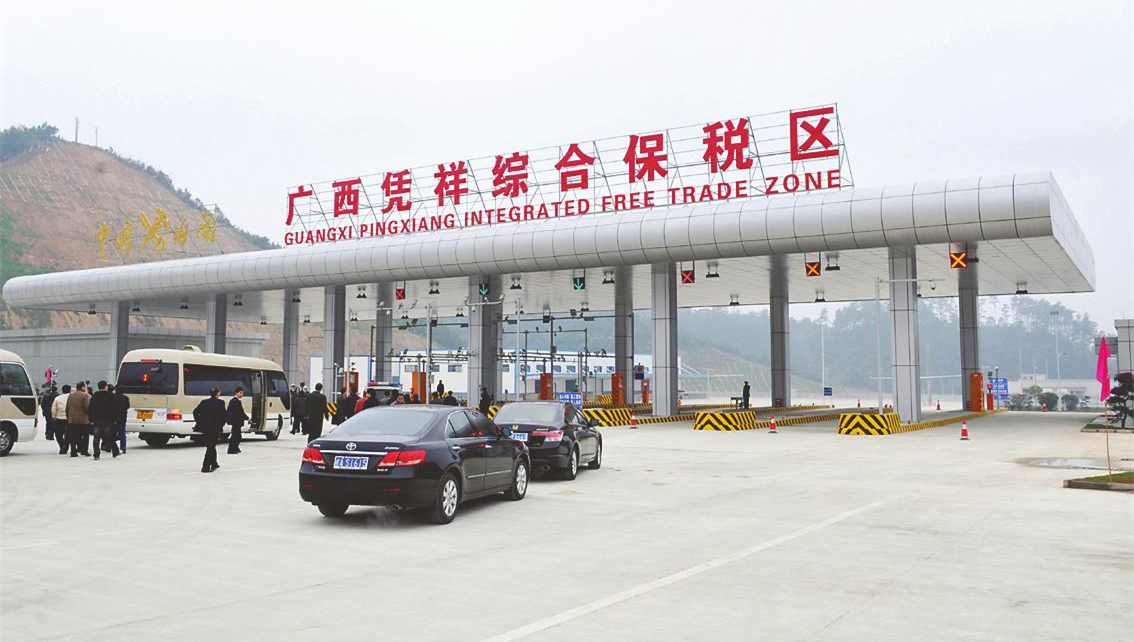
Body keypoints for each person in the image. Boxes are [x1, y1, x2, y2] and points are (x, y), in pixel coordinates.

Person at [193, 387, 226, 473]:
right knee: (211, 447)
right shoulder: (221, 403)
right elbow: (224, 415)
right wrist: (221, 424)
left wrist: (200, 422)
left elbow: (195, 412)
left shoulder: (204, 402)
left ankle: (214, 463)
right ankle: (205, 466)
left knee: (211, 445)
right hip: (215, 428)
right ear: (217, 394)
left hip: (205, 428)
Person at [88, 381, 119, 460]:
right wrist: (114, 418)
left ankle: (96, 454)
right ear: (105, 386)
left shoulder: (94, 396)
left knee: (96, 437)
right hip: (108, 419)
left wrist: (90, 418)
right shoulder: (110, 396)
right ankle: (115, 451)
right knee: (109, 436)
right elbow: (114, 408)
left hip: (97, 419)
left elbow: (90, 407)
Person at [65, 381, 91, 457]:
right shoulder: (84, 395)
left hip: (72, 419)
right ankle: (84, 451)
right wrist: (90, 416)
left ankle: (73, 452)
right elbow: (87, 407)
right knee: (85, 436)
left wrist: (68, 417)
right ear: (82, 387)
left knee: (73, 436)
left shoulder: (71, 395)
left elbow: (67, 407)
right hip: (83, 420)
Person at [227, 386, 249, 455]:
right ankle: (231, 449)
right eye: (240, 393)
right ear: (236, 393)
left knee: (237, 435)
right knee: (235, 436)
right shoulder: (234, 401)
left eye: (242, 393)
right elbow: (239, 412)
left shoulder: (236, 401)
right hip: (236, 421)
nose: (242, 394)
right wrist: (246, 418)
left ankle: (235, 448)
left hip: (237, 421)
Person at [51, 384, 71, 455]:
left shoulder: (57, 398)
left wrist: (53, 416)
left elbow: (53, 408)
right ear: (70, 390)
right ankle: (66, 446)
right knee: (68, 434)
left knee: (58, 434)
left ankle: (62, 446)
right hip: (69, 418)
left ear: (62, 391)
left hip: (59, 418)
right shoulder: (72, 397)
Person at [112, 383, 130, 454]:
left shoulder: (112, 397)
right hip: (122, 418)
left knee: (112, 433)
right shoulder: (125, 398)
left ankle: (111, 447)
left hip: (113, 418)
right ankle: (123, 448)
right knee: (122, 433)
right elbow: (128, 406)